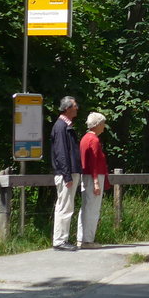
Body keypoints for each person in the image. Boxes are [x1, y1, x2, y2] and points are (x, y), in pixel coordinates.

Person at [49, 95, 82, 251]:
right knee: (65, 207)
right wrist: (67, 175)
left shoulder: (65, 126)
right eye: (75, 105)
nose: (77, 108)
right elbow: (61, 153)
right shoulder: (61, 126)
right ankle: (60, 241)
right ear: (68, 108)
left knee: (65, 206)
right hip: (66, 174)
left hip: (67, 173)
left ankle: (62, 239)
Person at [77, 111, 111, 249]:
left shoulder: (84, 138)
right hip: (94, 177)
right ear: (97, 125)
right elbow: (95, 163)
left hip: (85, 176)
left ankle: (81, 238)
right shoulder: (94, 140)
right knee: (93, 209)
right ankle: (88, 240)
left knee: (85, 208)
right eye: (102, 124)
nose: (103, 127)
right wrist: (96, 182)